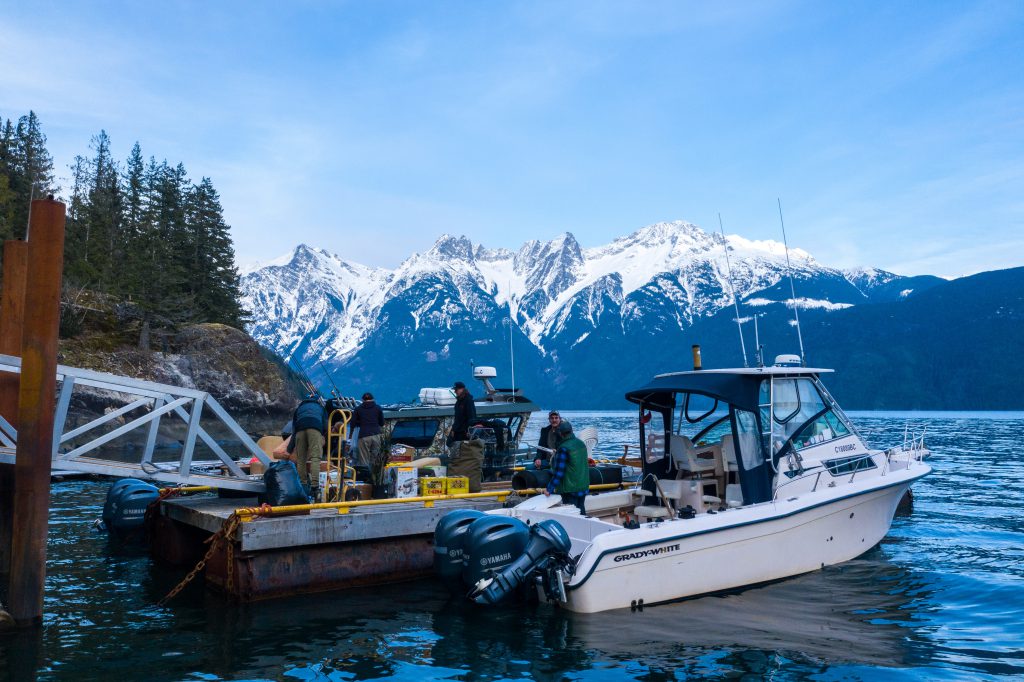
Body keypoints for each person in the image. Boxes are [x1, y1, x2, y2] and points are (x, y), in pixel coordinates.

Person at [544, 421, 589, 514]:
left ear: (560, 433)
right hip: (583, 486)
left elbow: (559, 473)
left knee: (573, 515)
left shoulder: (563, 448)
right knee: (582, 511)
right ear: (572, 431)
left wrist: (549, 489)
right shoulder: (581, 444)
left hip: (570, 490)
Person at [288, 394, 327, 496]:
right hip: (314, 429)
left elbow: (294, 430)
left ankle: (303, 485)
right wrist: (322, 436)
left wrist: (289, 449)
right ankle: (315, 487)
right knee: (315, 458)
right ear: (316, 400)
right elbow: (326, 425)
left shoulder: (299, 408)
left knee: (301, 459)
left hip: (300, 430)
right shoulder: (320, 407)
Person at [353, 392, 385, 468]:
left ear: (362, 400)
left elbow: (353, 422)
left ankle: (365, 477)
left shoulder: (358, 409)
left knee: (364, 460)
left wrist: (361, 422)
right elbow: (382, 423)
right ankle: (373, 476)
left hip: (364, 436)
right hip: (376, 435)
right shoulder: (378, 408)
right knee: (374, 458)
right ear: (373, 399)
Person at [449, 381, 477, 445]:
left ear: (462, 389)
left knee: (464, 449)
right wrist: (453, 429)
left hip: (465, 432)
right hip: (457, 431)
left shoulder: (468, 400)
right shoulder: (458, 401)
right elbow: (457, 417)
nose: (455, 391)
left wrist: (469, 430)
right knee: (451, 444)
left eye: (456, 390)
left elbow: (471, 416)